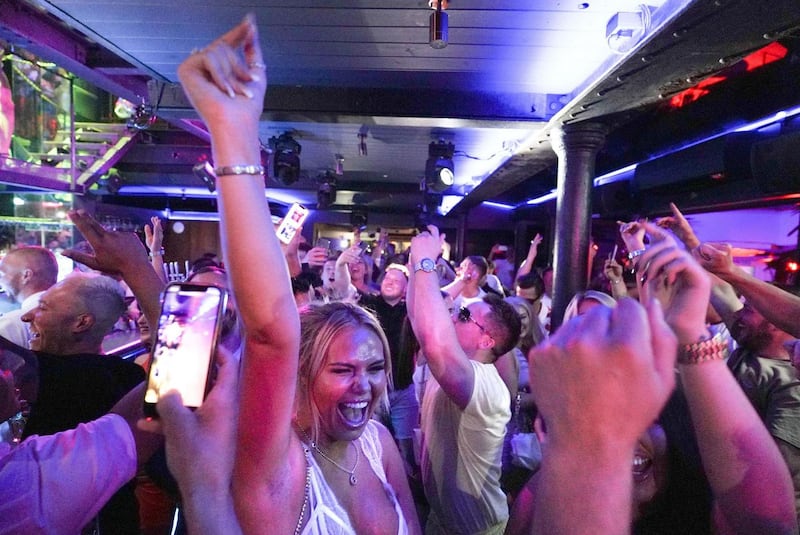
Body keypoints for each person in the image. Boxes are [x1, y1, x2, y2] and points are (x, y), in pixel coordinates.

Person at [176, 16, 420, 534]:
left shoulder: (377, 444)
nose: (365, 387)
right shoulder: (279, 469)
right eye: (342, 370)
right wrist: (234, 135)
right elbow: (270, 332)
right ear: (302, 375)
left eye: (374, 369)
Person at [509, 223, 798, 534]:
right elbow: (768, 520)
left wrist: (584, 444)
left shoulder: (787, 388)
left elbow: (763, 521)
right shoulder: (533, 497)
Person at [408, 225, 521, 534]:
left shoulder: (487, 386)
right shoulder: (453, 363)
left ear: (487, 342)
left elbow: (432, 339)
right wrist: (415, 261)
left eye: (466, 316)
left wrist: (426, 264)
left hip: (478, 530)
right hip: (442, 520)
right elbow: (420, 320)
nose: (456, 314)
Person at [0, 246, 59, 348]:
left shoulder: (10, 324)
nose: (1, 281)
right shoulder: (73, 316)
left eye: (2, 274)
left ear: (26, 276)